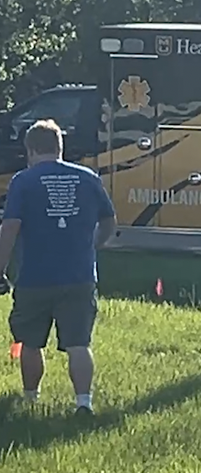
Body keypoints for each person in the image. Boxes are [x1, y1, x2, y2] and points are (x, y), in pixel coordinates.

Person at [0, 119, 117, 415]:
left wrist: (0, 268)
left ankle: (30, 398)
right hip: (79, 275)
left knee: (30, 341)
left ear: (30, 149)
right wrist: (94, 245)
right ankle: (83, 402)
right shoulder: (88, 178)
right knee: (79, 343)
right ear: (60, 147)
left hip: (34, 277)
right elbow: (109, 221)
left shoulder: (23, 181)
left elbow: (10, 228)